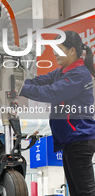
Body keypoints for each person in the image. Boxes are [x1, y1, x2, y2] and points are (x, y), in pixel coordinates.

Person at [20, 31, 95, 196]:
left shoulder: (80, 74)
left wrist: (22, 89)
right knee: (77, 192)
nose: (54, 53)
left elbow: (52, 92)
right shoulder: (62, 72)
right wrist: (15, 82)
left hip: (80, 140)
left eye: (58, 49)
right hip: (71, 141)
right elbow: (41, 81)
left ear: (72, 51)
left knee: (85, 192)